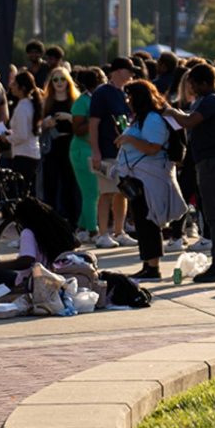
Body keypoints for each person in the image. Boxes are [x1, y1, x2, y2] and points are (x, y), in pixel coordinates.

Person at [164, 64, 215, 283]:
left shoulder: (213, 99)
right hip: (210, 158)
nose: (192, 88)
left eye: (194, 83)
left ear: (204, 82)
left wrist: (170, 111)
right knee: (214, 213)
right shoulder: (208, 99)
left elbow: (189, 121)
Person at [113, 80, 187, 281]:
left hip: (151, 176)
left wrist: (128, 139)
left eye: (130, 96)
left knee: (149, 220)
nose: (128, 100)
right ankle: (147, 264)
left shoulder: (153, 118)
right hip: (139, 176)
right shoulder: (141, 118)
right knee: (142, 220)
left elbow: (153, 147)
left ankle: (153, 267)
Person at [89, 58, 138, 249]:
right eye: (129, 71)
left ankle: (119, 231)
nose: (132, 75)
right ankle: (102, 233)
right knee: (107, 192)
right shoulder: (102, 93)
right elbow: (94, 124)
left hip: (124, 152)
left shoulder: (125, 93)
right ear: (117, 71)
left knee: (122, 192)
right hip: (107, 149)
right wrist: (96, 151)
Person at [0, 197, 79, 289]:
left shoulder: (28, 232)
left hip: (33, 281)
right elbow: (76, 243)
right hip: (58, 276)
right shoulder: (57, 227)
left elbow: (27, 261)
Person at [40, 68, 81, 227]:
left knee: (70, 184)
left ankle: (73, 222)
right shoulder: (47, 101)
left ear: (68, 81)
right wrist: (45, 124)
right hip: (52, 147)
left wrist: (69, 118)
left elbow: (83, 124)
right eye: (55, 80)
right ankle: (50, 221)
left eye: (62, 79)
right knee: (50, 183)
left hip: (70, 145)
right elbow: (38, 126)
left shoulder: (74, 101)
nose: (59, 83)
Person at [69, 68, 102, 242]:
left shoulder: (97, 99)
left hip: (92, 149)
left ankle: (81, 227)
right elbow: (78, 130)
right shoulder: (82, 102)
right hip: (82, 151)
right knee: (91, 193)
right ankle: (93, 231)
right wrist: (94, 118)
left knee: (92, 192)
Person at [5, 71, 43, 194]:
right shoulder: (30, 105)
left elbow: (22, 135)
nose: (12, 86)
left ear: (22, 88)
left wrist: (7, 138)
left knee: (17, 193)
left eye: (15, 84)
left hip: (23, 155)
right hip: (31, 153)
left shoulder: (23, 107)